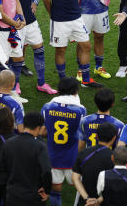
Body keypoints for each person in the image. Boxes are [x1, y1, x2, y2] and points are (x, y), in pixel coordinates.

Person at [42, 0, 103, 88]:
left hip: (76, 17)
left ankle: (86, 80)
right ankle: (63, 79)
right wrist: (52, 13)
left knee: (86, 45)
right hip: (60, 20)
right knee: (61, 49)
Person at [11, 0, 57, 95]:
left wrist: (35, 2)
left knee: (39, 49)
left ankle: (41, 83)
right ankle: (15, 85)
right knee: (17, 57)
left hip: (30, 20)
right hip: (16, 22)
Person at [41, 77, 87, 206]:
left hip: (52, 155)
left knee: (55, 191)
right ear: (75, 91)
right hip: (73, 157)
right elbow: (81, 134)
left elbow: (42, 132)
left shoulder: (47, 107)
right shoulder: (81, 110)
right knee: (82, 189)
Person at [0, 112, 52, 206]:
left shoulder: (8, 143)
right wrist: (47, 190)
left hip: (12, 195)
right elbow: (46, 171)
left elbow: (2, 168)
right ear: (39, 127)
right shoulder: (40, 146)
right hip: (33, 196)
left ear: (24, 125)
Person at [72, 123, 117, 206]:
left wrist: (87, 199)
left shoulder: (83, 153)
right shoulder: (115, 158)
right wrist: (98, 201)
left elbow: (75, 178)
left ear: (96, 136)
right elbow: (115, 184)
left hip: (85, 203)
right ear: (114, 138)